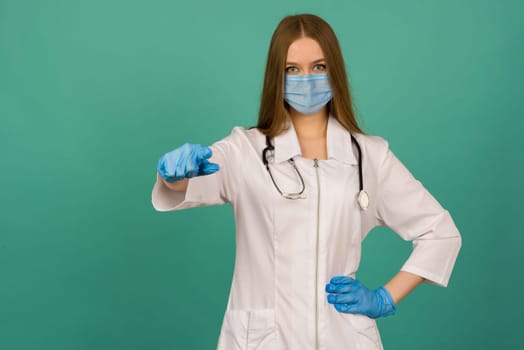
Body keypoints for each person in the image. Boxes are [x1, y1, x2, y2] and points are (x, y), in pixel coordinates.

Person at [151, 13, 461, 350]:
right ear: (277, 76)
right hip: (263, 340)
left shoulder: (370, 156)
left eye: (319, 66)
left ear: (334, 71)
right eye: (293, 69)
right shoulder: (245, 150)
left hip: (344, 338)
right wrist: (174, 176)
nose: (307, 78)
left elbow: (441, 233)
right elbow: (191, 183)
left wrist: (384, 298)